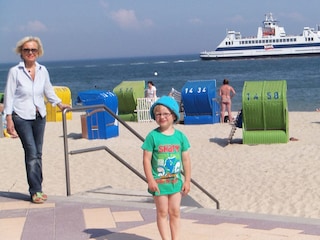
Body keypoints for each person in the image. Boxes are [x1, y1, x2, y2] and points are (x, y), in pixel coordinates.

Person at [3, 36, 70, 204]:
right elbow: (9, 97)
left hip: (39, 115)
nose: (30, 53)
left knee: (38, 153)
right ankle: (35, 191)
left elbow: (48, 90)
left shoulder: (42, 70)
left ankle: (38, 187)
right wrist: (8, 119)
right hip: (21, 116)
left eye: (33, 50)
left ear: (38, 52)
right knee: (31, 152)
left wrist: (59, 104)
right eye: (27, 50)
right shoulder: (15, 72)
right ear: (21, 53)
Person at [142, 96, 191, 240]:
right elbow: (146, 160)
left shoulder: (180, 137)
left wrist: (187, 180)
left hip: (176, 183)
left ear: (173, 115)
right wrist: (150, 180)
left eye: (165, 113)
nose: (162, 117)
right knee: (162, 212)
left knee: (175, 211)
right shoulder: (152, 136)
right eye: (158, 114)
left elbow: (186, 160)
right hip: (159, 184)